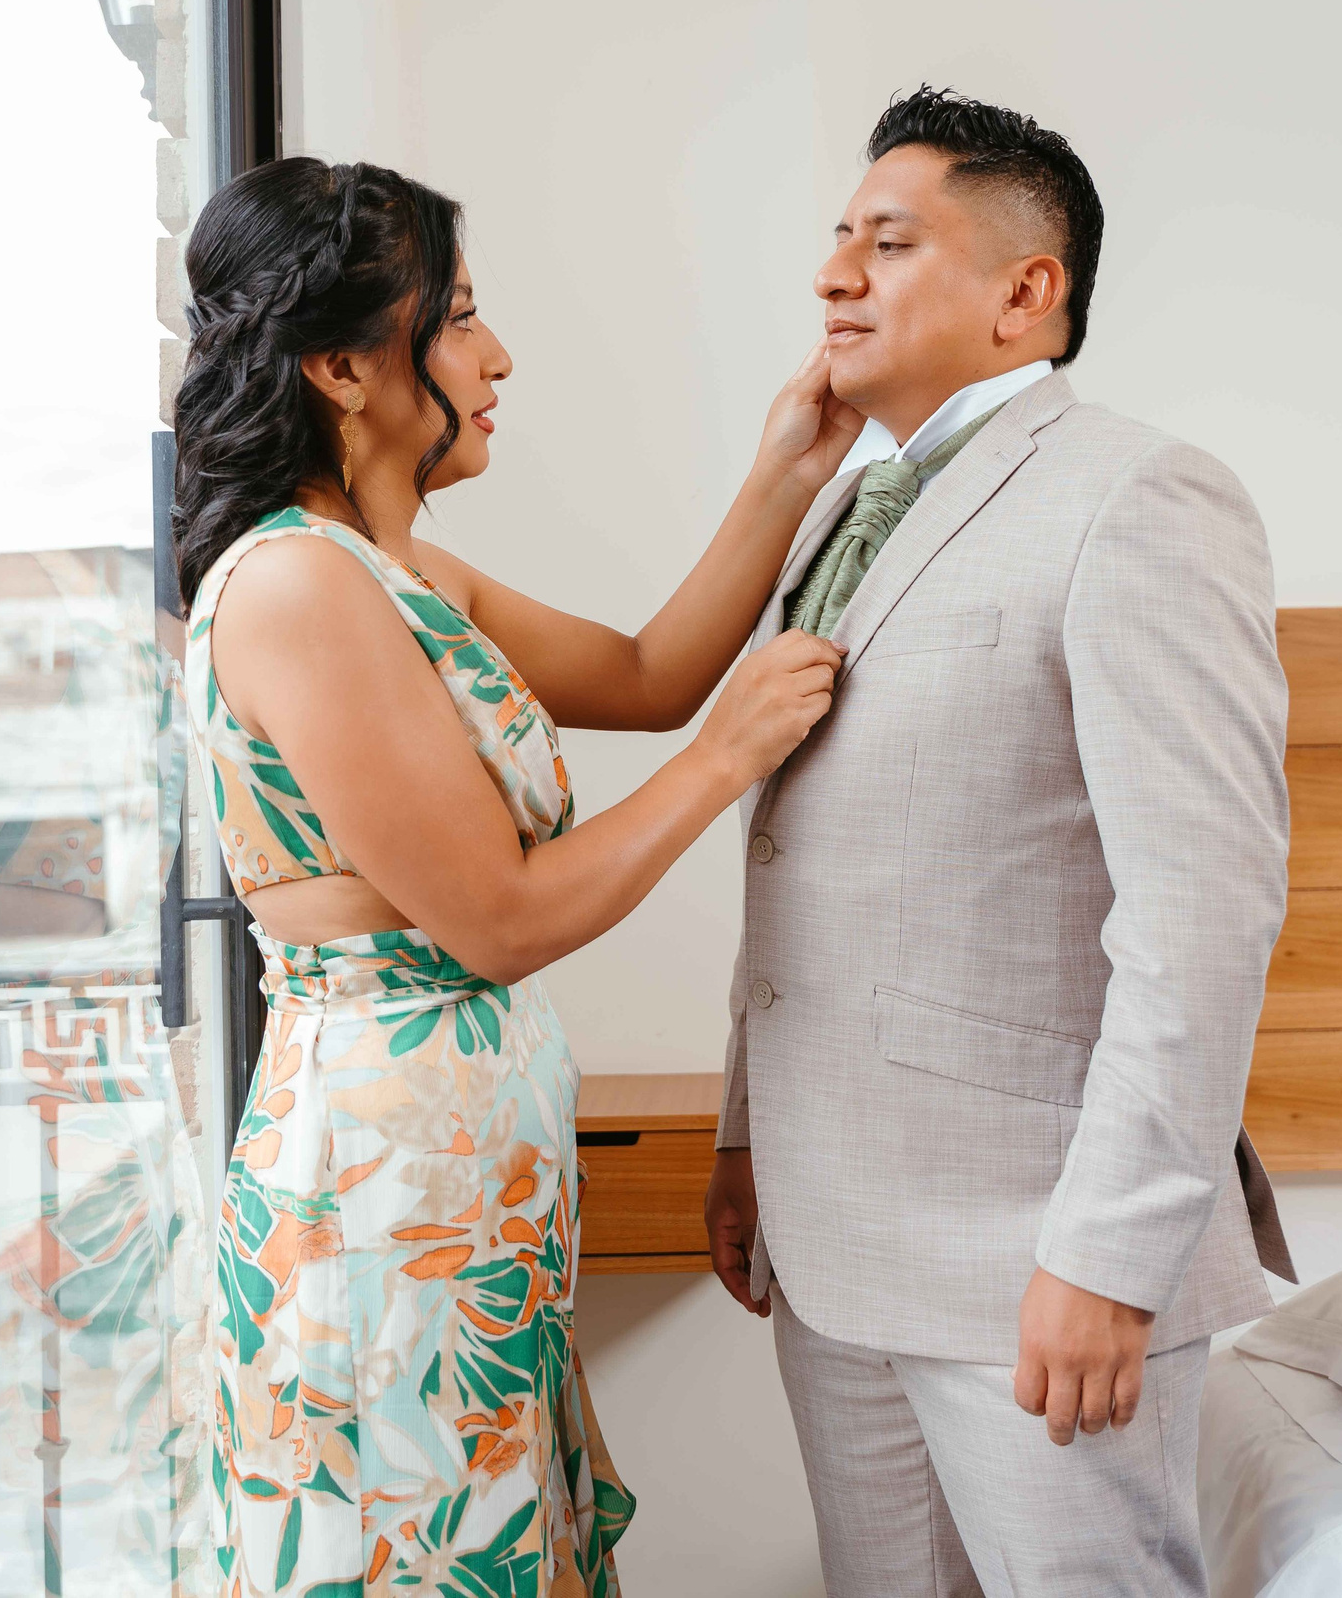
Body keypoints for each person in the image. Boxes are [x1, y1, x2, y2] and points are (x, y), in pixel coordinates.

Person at [174, 156, 861, 1597]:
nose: (498, 359)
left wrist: (788, 470)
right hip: (385, 1187)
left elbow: (648, 675)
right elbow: (497, 918)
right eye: (460, 319)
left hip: (457, 1169)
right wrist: (731, 759)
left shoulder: (393, 569)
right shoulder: (298, 584)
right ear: (342, 368)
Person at [702, 87, 1298, 1596]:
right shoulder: (845, 504)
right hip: (832, 1236)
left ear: (1025, 293)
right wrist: (746, 1133)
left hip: (1035, 1248)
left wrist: (1111, 1255)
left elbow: (1200, 910)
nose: (835, 274)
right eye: (839, 237)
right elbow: (804, 849)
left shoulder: (1141, 496)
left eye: (889, 242)